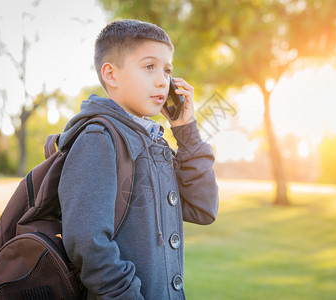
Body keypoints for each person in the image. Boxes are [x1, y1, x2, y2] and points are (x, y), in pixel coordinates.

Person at [58, 19, 219, 299]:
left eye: (167, 69)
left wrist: (186, 131)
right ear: (111, 74)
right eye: (149, 67)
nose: (162, 80)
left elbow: (203, 208)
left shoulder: (154, 141)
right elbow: (88, 243)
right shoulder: (98, 138)